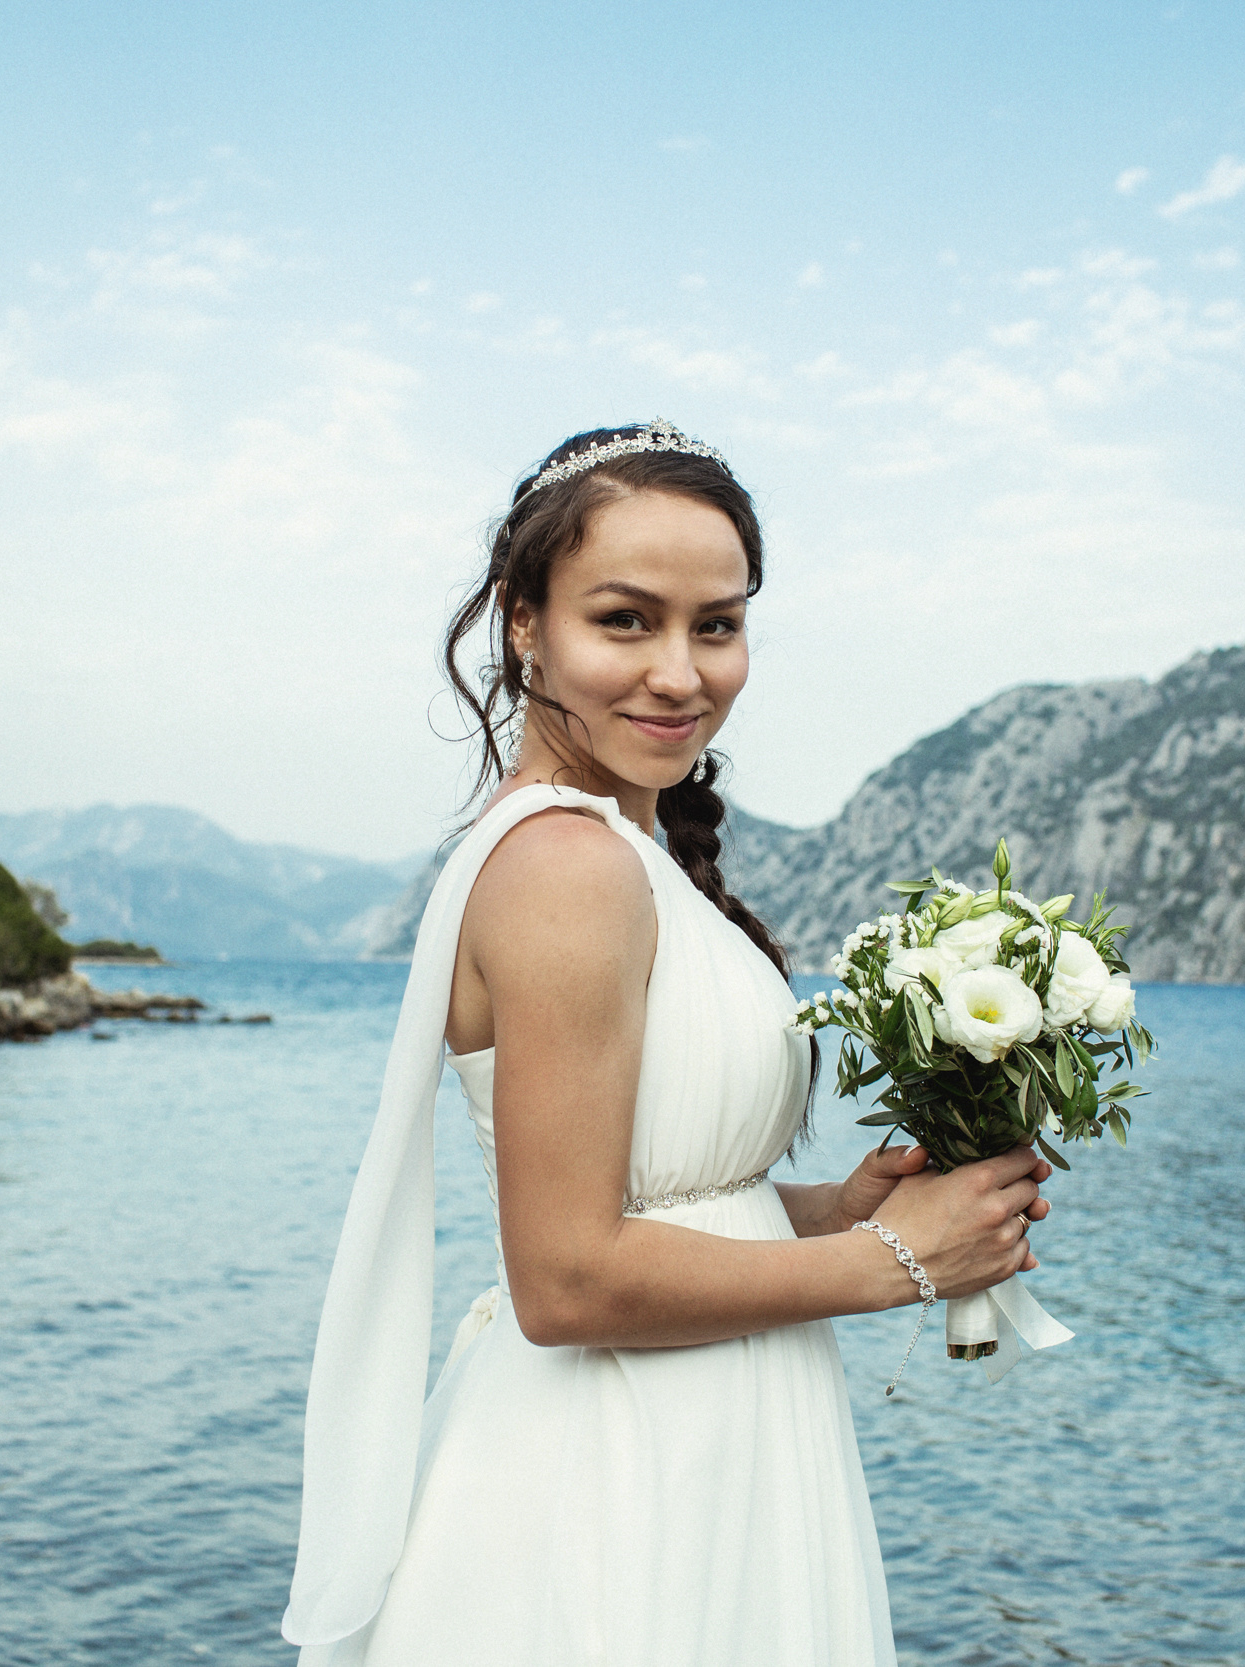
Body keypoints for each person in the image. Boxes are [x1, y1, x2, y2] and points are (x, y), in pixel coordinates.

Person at [283, 420, 1053, 1664]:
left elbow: (669, 1200)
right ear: (524, 620)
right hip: (624, 1467)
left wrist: (835, 1206)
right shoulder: (567, 868)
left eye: (716, 623)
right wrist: (894, 1262)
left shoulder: (623, 858)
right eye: (625, 620)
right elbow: (567, 1277)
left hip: (715, 1427)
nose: (682, 673)